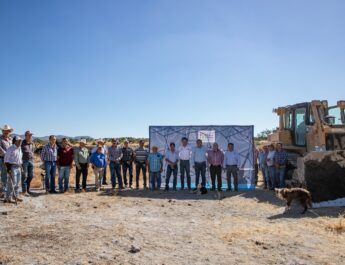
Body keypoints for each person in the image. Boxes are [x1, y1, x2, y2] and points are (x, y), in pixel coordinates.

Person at [4, 136, 23, 203]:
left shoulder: (19, 148)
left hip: (18, 166)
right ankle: (8, 198)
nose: (20, 141)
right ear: (15, 141)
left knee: (18, 183)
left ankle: (16, 196)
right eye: (18, 140)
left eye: (20, 140)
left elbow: (19, 159)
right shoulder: (10, 148)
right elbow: (6, 160)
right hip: (12, 167)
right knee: (12, 182)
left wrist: (21, 167)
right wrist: (8, 169)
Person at [0, 124, 13, 196]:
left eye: (8, 131)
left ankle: (8, 191)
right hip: (3, 159)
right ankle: (3, 192)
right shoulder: (0, 139)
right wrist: (7, 155)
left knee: (10, 175)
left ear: (9, 131)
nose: (6, 132)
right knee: (4, 175)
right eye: (5, 131)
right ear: (2, 131)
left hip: (10, 160)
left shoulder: (11, 139)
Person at [21, 130, 35, 196]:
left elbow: (32, 151)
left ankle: (28, 189)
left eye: (31, 135)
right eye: (29, 135)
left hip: (31, 161)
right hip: (24, 161)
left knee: (31, 176)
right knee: (24, 176)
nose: (30, 136)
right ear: (25, 136)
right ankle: (24, 191)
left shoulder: (32, 143)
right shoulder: (22, 143)